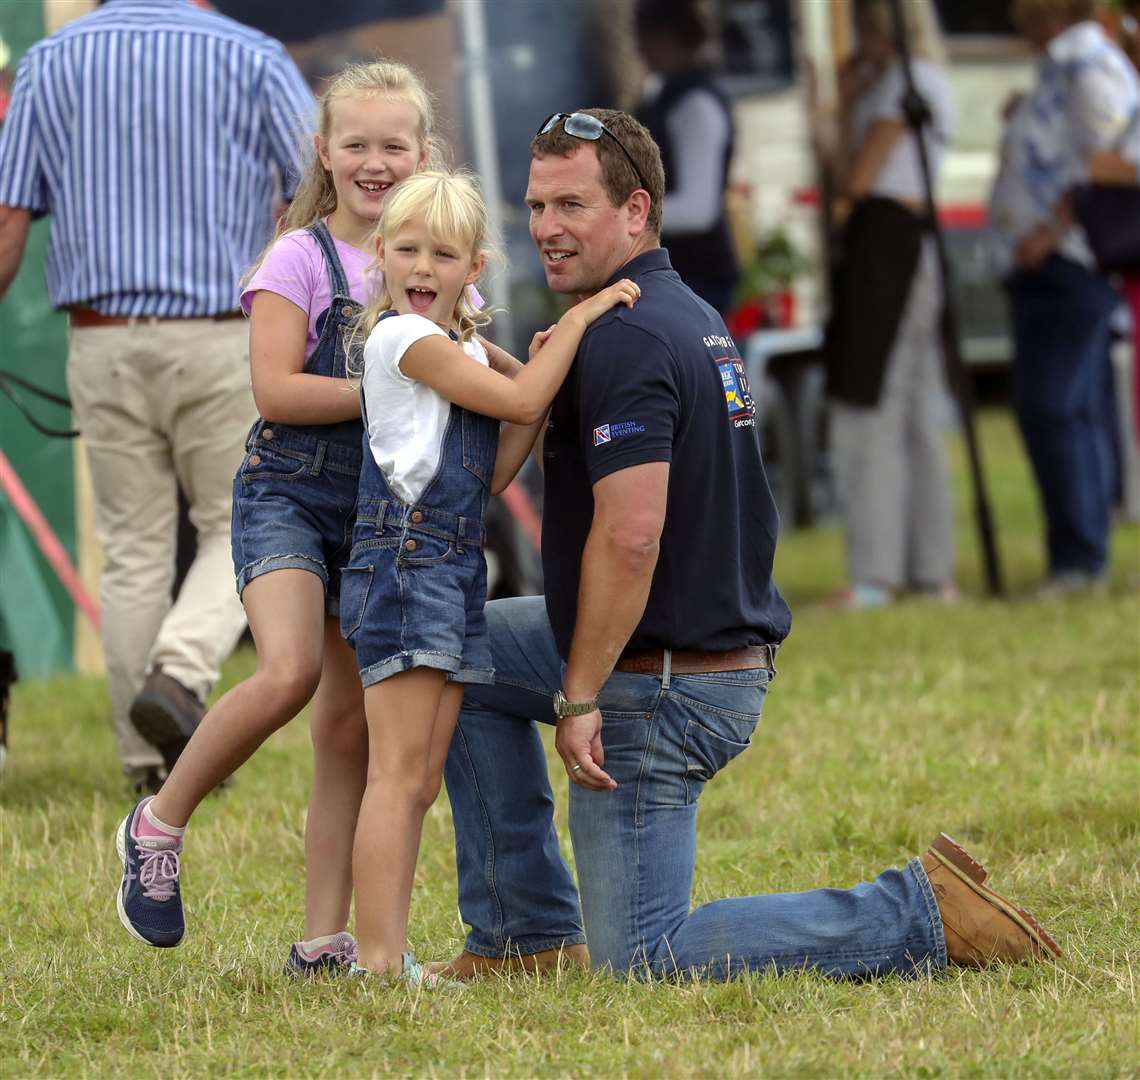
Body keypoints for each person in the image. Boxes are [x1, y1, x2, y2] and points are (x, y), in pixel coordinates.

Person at [430, 107, 1061, 982]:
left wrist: (579, 698)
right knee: (452, 651)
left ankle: (916, 911)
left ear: (637, 209)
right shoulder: (673, 314)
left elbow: (633, 535)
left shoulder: (627, 340)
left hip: (660, 686)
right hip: (689, 651)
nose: (546, 228)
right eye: (537, 206)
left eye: (571, 205)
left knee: (643, 960)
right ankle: (526, 932)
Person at [113, 60, 435, 974]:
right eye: (358, 144)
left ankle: (324, 940)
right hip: (289, 494)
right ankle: (158, 823)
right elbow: (277, 390)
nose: (376, 161)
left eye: (394, 145)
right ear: (324, 153)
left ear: (422, 154)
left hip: (378, 508)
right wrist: (391, 383)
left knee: (346, 728)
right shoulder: (298, 258)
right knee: (288, 671)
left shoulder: (428, 256)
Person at [0, 0, 316, 793]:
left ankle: (149, 764)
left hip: (101, 336)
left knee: (134, 550)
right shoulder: (254, 58)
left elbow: (9, 220)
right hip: (223, 333)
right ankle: (177, 678)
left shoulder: (49, 62)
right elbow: (320, 189)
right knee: (238, 525)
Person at [338, 169, 638, 986]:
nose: (422, 267)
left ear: (475, 267)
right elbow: (519, 401)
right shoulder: (404, 341)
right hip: (403, 569)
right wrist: (574, 322)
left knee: (422, 776)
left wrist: (530, 383)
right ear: (382, 256)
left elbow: (499, 465)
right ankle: (375, 962)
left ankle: (385, 955)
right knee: (397, 777)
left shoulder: (460, 347)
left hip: (453, 565)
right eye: (406, 250)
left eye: (443, 252)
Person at [989, 0, 1140, 594]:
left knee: (1053, 407)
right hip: (1056, 260)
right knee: (1070, 408)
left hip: (1069, 260)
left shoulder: (1086, 64)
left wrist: (1052, 228)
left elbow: (1115, 156)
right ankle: (1081, 553)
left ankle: (1079, 560)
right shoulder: (1066, 65)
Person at [821, 0, 958, 609]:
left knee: (871, 406)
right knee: (912, 410)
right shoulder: (907, 82)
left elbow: (853, 178)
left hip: (888, 244)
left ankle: (878, 572)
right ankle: (930, 570)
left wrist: (848, 105)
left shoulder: (908, 83)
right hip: (897, 243)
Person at [634, 0, 739, 316]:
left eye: (643, 38)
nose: (640, 49)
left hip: (699, 271)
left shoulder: (696, 104)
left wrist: (623, 217)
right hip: (679, 271)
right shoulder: (665, 95)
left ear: (666, 37)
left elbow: (698, 209)